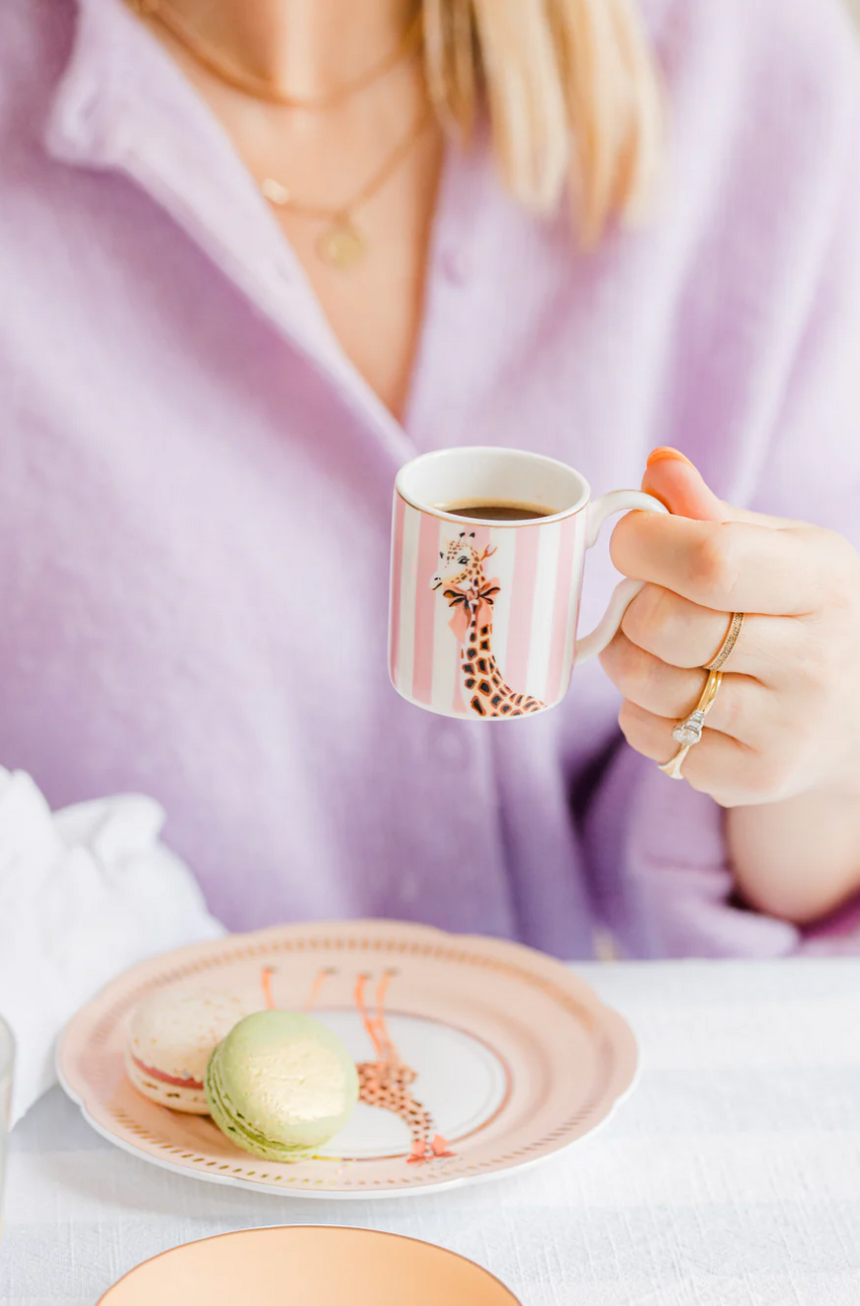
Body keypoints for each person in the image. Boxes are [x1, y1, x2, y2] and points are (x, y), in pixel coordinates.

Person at [2, 0, 860, 1117]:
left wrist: (818, 747)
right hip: (96, 1188)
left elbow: (755, 904)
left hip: (539, 1162)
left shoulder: (751, 88)